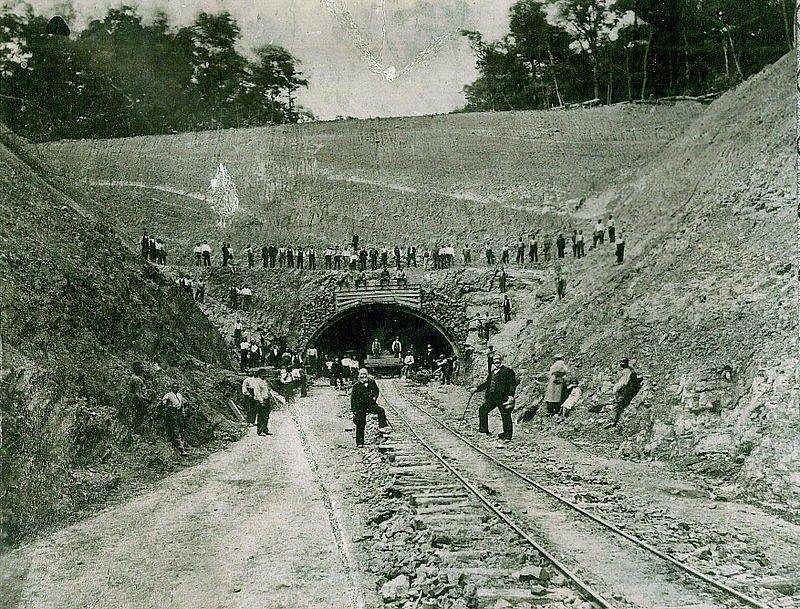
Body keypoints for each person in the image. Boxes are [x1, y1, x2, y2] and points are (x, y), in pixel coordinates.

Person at [473, 354, 517, 440]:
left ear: (501, 360)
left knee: (505, 415)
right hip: (492, 397)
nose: (496, 361)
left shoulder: (507, 371)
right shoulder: (492, 372)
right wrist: (476, 389)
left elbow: (512, 384)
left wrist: (511, 396)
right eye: (495, 360)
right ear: (493, 361)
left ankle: (507, 435)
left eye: (498, 359)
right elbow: (487, 384)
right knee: (483, 410)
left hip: (503, 397)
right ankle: (483, 430)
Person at [350, 369, 388, 447]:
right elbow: (353, 399)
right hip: (360, 407)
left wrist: (374, 398)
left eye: (364, 374)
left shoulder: (371, 382)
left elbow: (376, 391)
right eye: (361, 374)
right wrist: (354, 410)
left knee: (381, 410)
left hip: (370, 405)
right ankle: (360, 443)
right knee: (360, 424)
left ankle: (382, 427)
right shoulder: (356, 385)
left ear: (367, 375)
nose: (363, 376)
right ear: (359, 376)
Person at [612, 357, 641, 425]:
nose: (621, 364)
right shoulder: (629, 369)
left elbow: (624, 383)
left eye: (623, 362)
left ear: (626, 363)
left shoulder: (627, 371)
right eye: (620, 362)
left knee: (617, 404)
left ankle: (614, 421)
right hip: (631, 388)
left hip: (629, 390)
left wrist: (616, 389)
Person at [161, 382, 187, 456]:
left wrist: (183, 414)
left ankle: (183, 445)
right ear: (172, 388)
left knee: (182, 429)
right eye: (174, 387)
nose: (176, 389)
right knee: (175, 430)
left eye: (177, 388)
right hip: (172, 414)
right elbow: (164, 403)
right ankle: (181, 449)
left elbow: (182, 405)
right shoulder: (168, 395)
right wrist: (167, 405)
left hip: (179, 414)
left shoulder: (180, 395)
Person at [128, 362, 148, 427]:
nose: (143, 370)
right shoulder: (137, 379)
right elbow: (138, 393)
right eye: (141, 368)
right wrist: (146, 400)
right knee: (139, 416)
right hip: (137, 401)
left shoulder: (133, 377)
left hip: (134, 399)